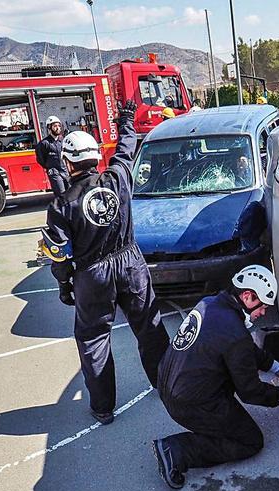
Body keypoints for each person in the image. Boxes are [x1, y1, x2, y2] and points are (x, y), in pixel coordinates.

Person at [42, 99, 170, 424]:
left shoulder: (62, 204)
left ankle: (103, 407)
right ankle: (167, 383)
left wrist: (64, 284)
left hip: (92, 275)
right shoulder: (118, 178)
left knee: (94, 339)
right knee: (150, 327)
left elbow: (58, 253)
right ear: (97, 157)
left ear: (68, 164)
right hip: (131, 265)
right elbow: (127, 149)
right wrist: (126, 120)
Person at [151, 265, 279, 489]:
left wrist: (275, 366)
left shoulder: (212, 303)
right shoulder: (234, 333)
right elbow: (250, 391)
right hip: (191, 403)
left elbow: (243, 347)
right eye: (263, 306)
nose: (264, 313)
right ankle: (178, 451)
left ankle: (202, 430)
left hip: (170, 384)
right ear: (247, 296)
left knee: (228, 381)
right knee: (249, 441)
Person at [35, 115, 69, 197]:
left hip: (65, 171)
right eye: (55, 126)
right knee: (61, 195)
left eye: (59, 126)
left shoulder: (63, 141)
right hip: (54, 173)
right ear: (49, 128)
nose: (58, 128)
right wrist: (50, 168)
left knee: (70, 193)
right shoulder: (44, 143)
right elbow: (40, 159)